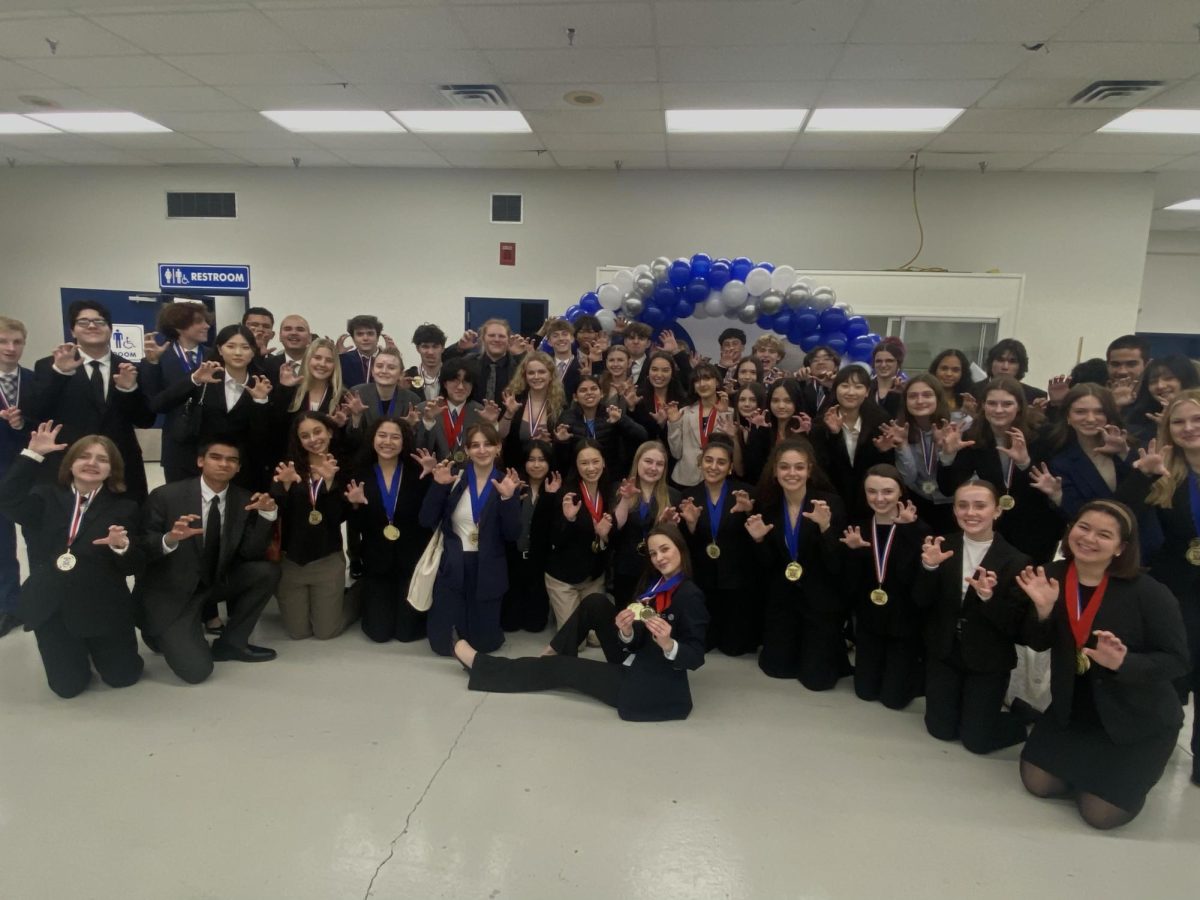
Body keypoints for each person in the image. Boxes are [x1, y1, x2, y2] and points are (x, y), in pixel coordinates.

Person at [1016, 500, 1190, 828]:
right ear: (1070, 531)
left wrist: (1124, 662)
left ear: (1121, 547)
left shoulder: (1148, 592)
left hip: (1136, 718)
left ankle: (1131, 770)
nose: (1090, 539)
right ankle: (1090, 768)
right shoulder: (1053, 575)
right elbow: (1036, 642)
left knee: (1100, 815)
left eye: (1104, 535)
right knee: (1039, 784)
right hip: (1075, 708)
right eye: (1083, 528)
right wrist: (1043, 612)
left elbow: (1178, 661)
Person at [452, 524, 709, 722]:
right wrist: (627, 632)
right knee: (596, 602)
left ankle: (482, 665)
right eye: (653, 553)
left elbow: (696, 657)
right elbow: (636, 641)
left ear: (680, 549)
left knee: (562, 669)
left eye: (665, 549)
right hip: (636, 658)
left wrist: (669, 644)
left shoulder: (689, 595)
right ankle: (554, 652)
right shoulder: (654, 584)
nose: (659, 558)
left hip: (647, 686)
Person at [0, 423, 143, 697]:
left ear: (112, 469)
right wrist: (32, 455)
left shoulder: (126, 508)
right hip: (54, 605)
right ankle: (72, 649)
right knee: (68, 688)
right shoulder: (44, 496)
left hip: (103, 606)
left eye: (102, 459)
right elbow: (6, 498)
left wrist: (122, 547)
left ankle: (97, 647)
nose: (92, 463)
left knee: (124, 677)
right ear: (70, 463)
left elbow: (135, 565)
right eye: (84, 456)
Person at [135, 439, 280, 684]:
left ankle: (232, 643)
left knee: (266, 572)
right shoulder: (166, 496)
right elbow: (141, 548)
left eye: (232, 460)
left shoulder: (243, 499)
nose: (224, 463)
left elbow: (249, 553)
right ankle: (158, 630)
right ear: (201, 461)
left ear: (238, 468)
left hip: (212, 582)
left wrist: (267, 515)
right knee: (197, 671)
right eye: (216, 457)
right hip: (173, 591)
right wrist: (169, 539)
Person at [1116, 388, 1200, 786]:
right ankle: (1156, 747)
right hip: (1176, 591)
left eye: (1196, 420)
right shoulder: (1164, 471)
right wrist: (1141, 474)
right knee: (1173, 674)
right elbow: (1124, 518)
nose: (1188, 429)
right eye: (1178, 422)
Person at [914, 481, 1032, 754]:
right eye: (963, 505)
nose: (971, 513)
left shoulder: (1016, 560)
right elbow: (920, 600)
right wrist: (929, 567)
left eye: (980, 505)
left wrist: (989, 599)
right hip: (945, 651)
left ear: (997, 511)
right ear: (954, 510)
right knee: (940, 730)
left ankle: (1021, 718)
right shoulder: (942, 545)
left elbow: (1014, 626)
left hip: (987, 658)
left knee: (976, 742)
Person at [26, 300, 156, 501]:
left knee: (127, 526)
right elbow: (35, 412)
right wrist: (60, 373)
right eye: (84, 322)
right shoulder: (49, 366)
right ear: (73, 331)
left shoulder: (129, 368)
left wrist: (128, 389)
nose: (92, 326)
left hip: (120, 464)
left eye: (99, 322)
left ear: (111, 329)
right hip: (68, 463)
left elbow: (146, 420)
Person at [745, 438, 848, 690]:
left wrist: (826, 528)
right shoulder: (767, 506)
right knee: (777, 669)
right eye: (785, 467)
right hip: (783, 597)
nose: (792, 473)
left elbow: (837, 563)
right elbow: (767, 566)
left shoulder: (829, 504)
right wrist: (759, 541)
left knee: (817, 681)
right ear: (775, 471)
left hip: (819, 596)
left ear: (809, 470)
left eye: (799, 467)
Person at [418, 423, 522, 656]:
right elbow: (426, 520)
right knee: (443, 646)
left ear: (498, 448)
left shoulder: (506, 483)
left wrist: (508, 500)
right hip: (454, 563)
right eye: (475, 445)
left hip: (488, 566)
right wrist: (438, 487)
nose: (482, 450)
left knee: (484, 646)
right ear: (466, 450)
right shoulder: (454, 478)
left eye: (488, 444)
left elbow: (512, 534)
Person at [936, 376, 1058, 563]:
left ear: (1019, 406)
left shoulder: (1042, 435)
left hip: (1034, 528)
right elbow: (948, 488)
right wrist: (947, 455)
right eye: (992, 403)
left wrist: (1024, 463)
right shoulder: (972, 437)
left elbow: (1045, 493)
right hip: (993, 531)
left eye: (1007, 404)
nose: (999, 410)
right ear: (983, 406)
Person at [839, 465, 929, 709]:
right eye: (872, 492)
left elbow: (912, 580)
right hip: (870, 623)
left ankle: (918, 674)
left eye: (888, 492)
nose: (879, 499)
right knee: (865, 692)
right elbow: (850, 585)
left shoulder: (917, 528)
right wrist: (856, 553)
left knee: (893, 700)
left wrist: (909, 532)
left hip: (903, 623)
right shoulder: (859, 528)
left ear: (901, 492)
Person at [146, 324, 274, 493]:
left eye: (245, 347)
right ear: (220, 350)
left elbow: (263, 437)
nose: (237, 353)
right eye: (231, 346)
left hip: (242, 471)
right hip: (195, 465)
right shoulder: (204, 375)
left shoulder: (262, 383)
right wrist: (193, 381)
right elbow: (159, 405)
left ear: (253, 351)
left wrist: (260, 401)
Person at [271, 413, 356, 640]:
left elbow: (338, 518)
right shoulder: (288, 468)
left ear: (329, 432)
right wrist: (284, 488)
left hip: (326, 558)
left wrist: (329, 485)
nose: (313, 439)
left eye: (317, 431)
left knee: (325, 632)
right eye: (305, 435)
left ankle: (357, 595)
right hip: (292, 561)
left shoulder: (343, 467)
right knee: (298, 633)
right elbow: (276, 513)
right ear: (298, 440)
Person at [351, 417, 434, 643]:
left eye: (395, 437)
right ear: (372, 439)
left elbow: (430, 517)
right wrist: (355, 506)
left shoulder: (419, 472)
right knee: (379, 634)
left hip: (411, 561)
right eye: (382, 435)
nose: (388, 442)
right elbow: (355, 525)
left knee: (406, 634)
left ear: (404, 442)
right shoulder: (360, 473)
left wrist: (433, 479)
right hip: (376, 561)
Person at [678, 434, 758, 655]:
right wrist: (691, 525)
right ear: (700, 463)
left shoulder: (745, 494)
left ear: (730, 467)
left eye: (721, 462)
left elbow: (757, 538)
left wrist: (750, 512)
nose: (714, 466)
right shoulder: (688, 496)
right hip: (702, 580)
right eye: (709, 460)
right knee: (703, 643)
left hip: (737, 580)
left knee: (735, 649)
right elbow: (684, 545)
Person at [542, 438, 614, 631]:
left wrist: (604, 536)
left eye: (595, 461)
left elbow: (616, 539)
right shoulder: (567, 494)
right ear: (576, 465)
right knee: (575, 641)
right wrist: (569, 520)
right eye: (584, 463)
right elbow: (554, 540)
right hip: (564, 578)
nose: (591, 468)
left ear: (604, 462)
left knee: (597, 639)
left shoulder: (610, 492)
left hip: (593, 576)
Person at [140, 301, 214, 482]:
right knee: (179, 502)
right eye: (199, 321)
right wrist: (192, 381)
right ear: (178, 326)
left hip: (211, 441)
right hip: (177, 445)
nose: (207, 326)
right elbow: (156, 404)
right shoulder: (157, 358)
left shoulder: (214, 356)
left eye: (206, 321)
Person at [809, 365, 894, 517]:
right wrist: (834, 435)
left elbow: (886, 469)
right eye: (845, 386)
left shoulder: (880, 421)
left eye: (858, 387)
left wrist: (883, 451)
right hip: (832, 500)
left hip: (871, 501)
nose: (851, 392)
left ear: (867, 391)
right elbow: (820, 468)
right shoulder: (821, 424)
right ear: (836, 390)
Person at [1040, 384, 1136, 519]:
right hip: (1095, 536)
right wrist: (1059, 497)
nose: (1090, 419)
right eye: (1080, 412)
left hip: (1144, 536)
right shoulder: (1061, 463)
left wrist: (1124, 453)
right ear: (1068, 417)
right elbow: (1076, 514)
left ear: (1109, 415)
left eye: (1099, 412)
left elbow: (1147, 489)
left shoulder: (1132, 445)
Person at [610, 440, 680, 605]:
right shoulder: (619, 489)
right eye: (648, 461)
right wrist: (625, 500)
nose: (653, 468)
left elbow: (674, 540)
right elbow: (615, 527)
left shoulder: (674, 496)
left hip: (659, 569)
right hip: (626, 567)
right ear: (637, 462)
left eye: (659, 464)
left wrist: (668, 527)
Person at [499, 440, 555, 634]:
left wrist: (549, 499)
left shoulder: (554, 489)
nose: (537, 465)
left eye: (542, 460)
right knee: (509, 624)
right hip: (513, 557)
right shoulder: (515, 486)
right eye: (531, 460)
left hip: (540, 561)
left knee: (535, 626)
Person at [0, 315, 32, 638]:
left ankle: (38, 599)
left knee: (39, 537)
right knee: (1, 542)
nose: (10, 348)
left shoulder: (35, 380)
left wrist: (23, 425)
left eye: (17, 342)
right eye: (3, 341)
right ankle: (8, 604)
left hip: (31, 469)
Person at [891, 374, 955, 535]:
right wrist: (903, 446)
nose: (920, 401)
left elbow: (958, 476)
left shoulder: (956, 426)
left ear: (938, 398)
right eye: (912, 396)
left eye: (927, 395)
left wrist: (944, 449)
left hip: (953, 503)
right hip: (918, 502)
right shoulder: (900, 429)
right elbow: (908, 479)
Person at [557, 374, 646, 477]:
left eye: (594, 389)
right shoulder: (567, 418)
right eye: (583, 390)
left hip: (610, 476)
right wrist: (561, 442)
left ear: (602, 394)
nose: (589, 393)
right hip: (578, 476)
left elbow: (642, 436)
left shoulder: (611, 413)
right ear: (575, 397)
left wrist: (621, 420)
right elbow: (560, 460)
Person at [667, 363, 732, 489]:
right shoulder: (684, 412)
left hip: (717, 477)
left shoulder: (729, 412)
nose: (702, 384)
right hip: (685, 478)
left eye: (707, 378)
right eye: (697, 380)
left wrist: (724, 414)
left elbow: (728, 449)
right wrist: (674, 423)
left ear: (717, 382)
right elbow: (676, 453)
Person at [498, 349, 565, 465]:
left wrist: (549, 444)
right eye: (531, 373)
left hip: (546, 470)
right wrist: (509, 413)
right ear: (525, 376)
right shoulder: (513, 399)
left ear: (550, 376)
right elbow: (500, 435)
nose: (536, 376)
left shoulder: (560, 406)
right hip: (514, 468)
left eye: (542, 372)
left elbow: (561, 448)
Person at [418, 360, 493, 462]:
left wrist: (492, 423)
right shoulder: (423, 409)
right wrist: (428, 421)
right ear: (444, 383)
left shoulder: (480, 412)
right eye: (455, 380)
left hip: (469, 474)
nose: (461, 387)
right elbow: (417, 448)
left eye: (466, 381)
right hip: (432, 474)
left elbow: (493, 450)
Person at [345, 347, 421, 440]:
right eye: (379, 366)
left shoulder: (412, 399)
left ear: (401, 374)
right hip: (364, 451)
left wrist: (410, 428)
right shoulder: (358, 393)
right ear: (373, 371)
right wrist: (356, 418)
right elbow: (350, 441)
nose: (384, 371)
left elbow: (415, 442)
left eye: (391, 368)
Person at [1126, 354, 1200, 446]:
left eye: (1169, 378)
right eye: (1153, 381)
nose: (1160, 386)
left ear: (1185, 379)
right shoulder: (1140, 422)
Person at [444, 319, 521, 405]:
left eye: (501, 336)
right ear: (483, 338)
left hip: (508, 417)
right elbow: (443, 363)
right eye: (491, 335)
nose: (496, 339)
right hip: (471, 416)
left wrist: (522, 355)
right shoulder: (469, 362)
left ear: (509, 340)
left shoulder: (518, 366)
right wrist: (459, 348)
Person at [984, 338, 1046, 405]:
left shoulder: (1036, 396)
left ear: (1021, 366)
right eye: (1000, 360)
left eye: (1012, 362)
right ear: (991, 363)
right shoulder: (973, 392)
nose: (1005, 367)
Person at [261, 314, 313, 387]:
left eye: (300, 329)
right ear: (280, 336)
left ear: (310, 338)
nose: (294, 333)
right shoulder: (267, 366)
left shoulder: (318, 366)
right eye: (288, 329)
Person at [339, 314, 385, 389]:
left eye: (370, 333)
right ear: (353, 338)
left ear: (378, 336)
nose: (365, 338)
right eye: (360, 334)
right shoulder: (342, 360)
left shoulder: (389, 360)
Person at [929, 348, 977, 421]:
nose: (949, 374)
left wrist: (971, 414)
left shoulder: (971, 399)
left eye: (955, 370)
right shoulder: (924, 396)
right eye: (944, 368)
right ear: (935, 370)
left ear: (963, 373)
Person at [406, 322, 448, 405]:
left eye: (435, 346)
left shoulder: (452, 376)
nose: (430, 352)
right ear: (418, 348)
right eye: (425, 346)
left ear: (443, 348)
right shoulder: (408, 377)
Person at [1105, 334, 1150, 410]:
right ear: (1107, 365)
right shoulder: (1095, 399)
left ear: (1147, 365)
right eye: (1115, 364)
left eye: (1131, 364)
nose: (1122, 371)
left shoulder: (1156, 401)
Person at [543, 317, 583, 397]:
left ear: (572, 338)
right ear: (549, 342)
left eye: (565, 334)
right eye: (555, 336)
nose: (561, 339)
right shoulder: (544, 365)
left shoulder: (581, 365)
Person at [869, 337, 906, 417]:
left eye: (889, 361)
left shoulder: (906, 389)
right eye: (878, 361)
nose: (883, 365)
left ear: (898, 363)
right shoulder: (865, 387)